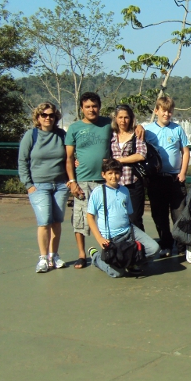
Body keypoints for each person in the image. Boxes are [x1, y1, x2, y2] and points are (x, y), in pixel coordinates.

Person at [65, 92, 118, 269]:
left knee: (106, 218)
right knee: (80, 218)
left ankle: (107, 250)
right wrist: (72, 181)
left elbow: (126, 125)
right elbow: (69, 157)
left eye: (94, 106)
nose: (91, 110)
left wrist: (139, 126)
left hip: (105, 181)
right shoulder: (74, 128)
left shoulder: (108, 124)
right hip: (83, 180)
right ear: (82, 108)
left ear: (99, 107)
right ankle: (82, 254)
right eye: (87, 106)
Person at [86, 158, 159, 277]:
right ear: (103, 175)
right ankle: (96, 257)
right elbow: (90, 216)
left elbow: (128, 212)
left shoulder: (125, 190)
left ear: (121, 174)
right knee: (117, 273)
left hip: (129, 231)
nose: (113, 176)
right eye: (110, 173)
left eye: (116, 173)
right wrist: (99, 238)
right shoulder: (98, 192)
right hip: (111, 237)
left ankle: (130, 263)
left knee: (154, 248)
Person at [18, 102, 68, 272]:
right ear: (38, 117)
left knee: (57, 221)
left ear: (55, 117)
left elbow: (69, 157)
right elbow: (22, 161)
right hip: (39, 185)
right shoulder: (31, 135)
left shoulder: (61, 135)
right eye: (44, 115)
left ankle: (54, 255)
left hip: (60, 185)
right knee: (44, 221)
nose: (48, 118)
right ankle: (43, 258)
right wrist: (28, 185)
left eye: (51, 115)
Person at [144, 96, 190, 258]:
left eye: (169, 111)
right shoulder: (148, 131)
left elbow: (185, 151)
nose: (167, 114)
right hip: (156, 179)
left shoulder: (177, 129)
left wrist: (183, 172)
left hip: (175, 178)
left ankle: (182, 246)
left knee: (179, 214)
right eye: (163, 111)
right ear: (156, 111)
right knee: (159, 215)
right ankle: (166, 244)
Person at [109, 104, 147, 230]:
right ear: (115, 118)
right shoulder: (111, 135)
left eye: (126, 117)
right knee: (117, 217)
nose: (123, 121)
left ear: (131, 118)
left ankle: (139, 242)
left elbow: (141, 155)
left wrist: (119, 161)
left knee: (135, 218)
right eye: (120, 117)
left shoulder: (136, 135)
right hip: (115, 183)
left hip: (133, 182)